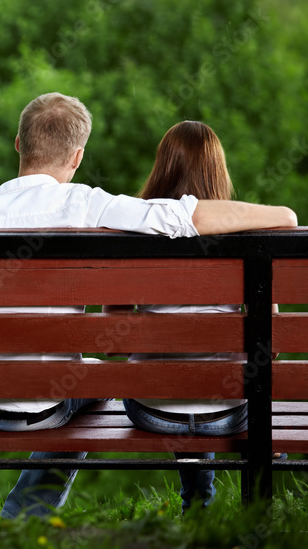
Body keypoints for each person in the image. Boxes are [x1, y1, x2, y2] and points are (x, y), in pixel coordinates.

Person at [0, 94, 298, 520]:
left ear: (19, 143)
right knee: (96, 378)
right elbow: (180, 218)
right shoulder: (88, 205)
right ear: (77, 155)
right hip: (49, 409)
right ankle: (27, 515)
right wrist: (282, 213)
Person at [106, 120, 282, 513]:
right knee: (228, 383)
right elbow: (271, 343)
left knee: (175, 381)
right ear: (218, 171)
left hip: (152, 411)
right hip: (231, 411)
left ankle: (198, 501)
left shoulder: (135, 233)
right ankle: (247, 513)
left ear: (161, 167)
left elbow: (114, 339)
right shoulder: (249, 239)